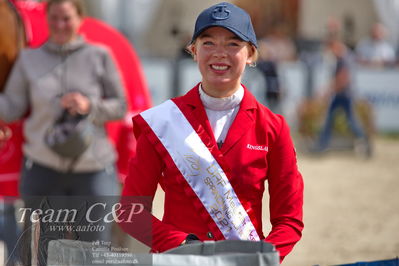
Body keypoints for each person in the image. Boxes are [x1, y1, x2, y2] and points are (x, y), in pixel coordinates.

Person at [120, 2, 304, 262]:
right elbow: (131, 212)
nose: (220, 53)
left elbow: (289, 221)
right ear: (193, 51)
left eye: (232, 44)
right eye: (208, 43)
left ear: (251, 54)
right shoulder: (162, 122)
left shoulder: (273, 127)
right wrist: (183, 245)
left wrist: (262, 258)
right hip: (178, 260)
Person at [0, 0, 126, 262]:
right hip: (43, 171)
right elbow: (11, 107)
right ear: (47, 19)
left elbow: (120, 106)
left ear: (80, 19)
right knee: (42, 254)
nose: (60, 25)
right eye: (54, 18)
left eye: (66, 18)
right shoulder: (28, 59)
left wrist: (89, 105)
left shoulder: (99, 55)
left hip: (93, 172)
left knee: (94, 254)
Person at [315, 37, 370, 156]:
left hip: (344, 95)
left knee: (350, 121)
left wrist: (329, 90)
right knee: (331, 120)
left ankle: (365, 141)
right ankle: (322, 145)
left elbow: (343, 79)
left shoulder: (343, 60)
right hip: (341, 94)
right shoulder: (343, 59)